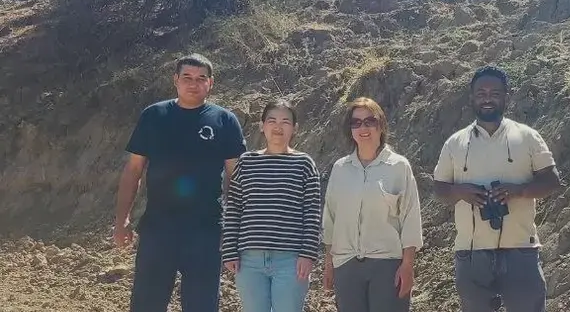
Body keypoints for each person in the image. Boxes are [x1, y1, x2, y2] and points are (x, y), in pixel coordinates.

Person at [113, 53, 247, 312]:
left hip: (206, 232)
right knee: (146, 304)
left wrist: (232, 227)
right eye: (187, 77)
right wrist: (122, 220)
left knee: (201, 305)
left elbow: (236, 177)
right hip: (158, 228)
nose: (193, 84)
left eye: (201, 78)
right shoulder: (154, 116)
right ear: (175, 80)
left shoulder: (224, 120)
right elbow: (133, 171)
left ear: (211, 83)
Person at [432, 66, 563, 312]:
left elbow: (552, 180)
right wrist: (461, 192)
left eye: (495, 92)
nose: (487, 98)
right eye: (481, 93)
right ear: (471, 98)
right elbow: (439, 188)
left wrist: (520, 191)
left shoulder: (528, 136)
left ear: (507, 96)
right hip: (471, 253)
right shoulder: (455, 142)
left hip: (520, 249)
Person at [321, 97, 424, 312]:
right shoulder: (340, 169)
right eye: (356, 122)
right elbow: (330, 218)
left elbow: (410, 217)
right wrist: (329, 263)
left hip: (387, 265)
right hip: (347, 266)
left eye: (369, 121)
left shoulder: (398, 167)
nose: (363, 127)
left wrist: (407, 265)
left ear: (381, 125)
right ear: (350, 129)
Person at [221, 99, 321, 312]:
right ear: (262, 125)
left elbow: (312, 212)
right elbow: (234, 207)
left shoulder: (304, 163)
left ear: (295, 128)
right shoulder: (247, 162)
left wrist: (308, 254)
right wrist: (229, 250)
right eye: (272, 120)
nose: (278, 127)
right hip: (250, 260)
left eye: (285, 121)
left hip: (290, 259)